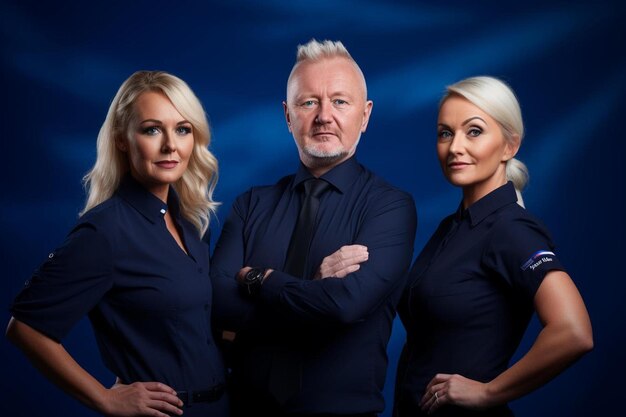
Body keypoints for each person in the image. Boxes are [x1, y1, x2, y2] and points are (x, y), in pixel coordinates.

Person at [210, 39, 417, 416]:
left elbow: (343, 305)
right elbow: (217, 304)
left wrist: (260, 279)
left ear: (365, 115)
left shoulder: (390, 207)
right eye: (308, 102)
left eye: (340, 101)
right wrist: (312, 288)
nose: (324, 115)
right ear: (288, 116)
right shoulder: (250, 205)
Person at [6, 70, 229, 417]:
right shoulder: (105, 231)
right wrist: (105, 399)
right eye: (152, 129)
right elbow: (26, 328)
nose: (171, 145)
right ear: (122, 138)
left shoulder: (191, 223)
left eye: (182, 129)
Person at [393, 76, 593, 416]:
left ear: (509, 145)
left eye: (473, 131)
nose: (455, 147)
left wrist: (489, 393)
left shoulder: (511, 228)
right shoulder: (451, 228)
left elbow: (574, 331)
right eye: (445, 133)